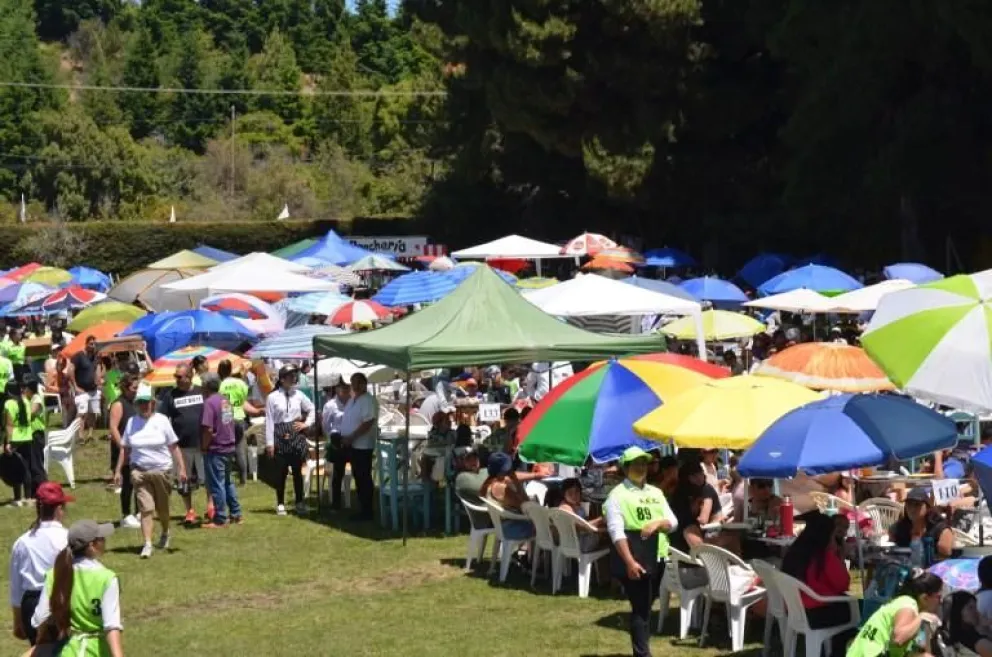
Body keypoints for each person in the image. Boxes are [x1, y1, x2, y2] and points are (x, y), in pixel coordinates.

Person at [604, 447, 678, 657]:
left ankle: (642, 650)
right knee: (640, 607)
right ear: (626, 468)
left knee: (646, 604)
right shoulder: (616, 496)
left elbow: (673, 522)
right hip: (635, 557)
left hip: (658, 555)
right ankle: (642, 653)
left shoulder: (656, 492)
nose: (641, 467)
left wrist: (658, 523)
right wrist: (629, 562)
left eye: (644, 463)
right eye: (636, 464)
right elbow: (616, 532)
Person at [114, 383, 187, 559]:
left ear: (153, 403)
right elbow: (125, 449)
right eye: (140, 402)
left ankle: (165, 531)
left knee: (162, 509)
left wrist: (182, 469)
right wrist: (117, 471)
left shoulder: (162, 420)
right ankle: (147, 543)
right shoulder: (132, 422)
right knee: (146, 509)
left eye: (147, 402)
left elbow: (174, 447)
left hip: (162, 471)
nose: (144, 406)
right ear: (136, 404)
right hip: (139, 472)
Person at [31, 520, 123, 657]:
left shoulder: (55, 574)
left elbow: (38, 618)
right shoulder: (107, 578)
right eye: (101, 538)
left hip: (68, 651)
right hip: (98, 651)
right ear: (92, 546)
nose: (104, 541)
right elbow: (112, 626)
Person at [781, 512, 857, 656]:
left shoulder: (795, 552)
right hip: (815, 612)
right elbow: (844, 584)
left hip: (795, 610)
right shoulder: (824, 555)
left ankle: (825, 649)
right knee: (856, 608)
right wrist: (840, 557)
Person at [8, 483, 72, 647]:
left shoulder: (22, 542)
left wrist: (18, 620)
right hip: (59, 600)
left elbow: (16, 587)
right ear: (59, 509)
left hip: (30, 604)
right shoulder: (66, 538)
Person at [847, 572, 943, 657]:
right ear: (924, 598)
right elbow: (898, 638)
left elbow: (894, 651)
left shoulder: (902, 602)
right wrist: (922, 617)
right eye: (938, 597)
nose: (941, 601)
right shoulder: (908, 605)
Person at [158, 363, 209, 524]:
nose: (177, 379)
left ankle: (211, 507)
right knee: (183, 479)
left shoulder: (202, 392)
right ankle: (189, 511)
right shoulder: (171, 395)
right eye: (176, 376)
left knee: (208, 478)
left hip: (203, 443)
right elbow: (162, 417)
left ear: (190, 376)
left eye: (180, 376)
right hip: (181, 446)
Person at [264, 365, 315, 517]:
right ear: (282, 379)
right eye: (291, 375)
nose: (294, 378)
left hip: (295, 434)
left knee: (297, 471)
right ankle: (280, 503)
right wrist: (269, 443)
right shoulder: (272, 397)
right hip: (279, 434)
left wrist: (306, 423)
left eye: (295, 375)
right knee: (281, 472)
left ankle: (299, 502)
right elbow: (269, 420)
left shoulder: (298, 395)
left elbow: (312, 408)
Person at [200, 373, 241, 528]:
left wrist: (204, 446)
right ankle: (236, 513)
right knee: (228, 482)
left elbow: (208, 429)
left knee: (217, 483)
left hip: (216, 448)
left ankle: (220, 518)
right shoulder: (225, 400)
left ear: (206, 386)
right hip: (229, 446)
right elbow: (228, 422)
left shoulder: (209, 403)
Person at [339, 372, 377, 521]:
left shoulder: (367, 400)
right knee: (358, 476)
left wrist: (352, 436)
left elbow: (368, 422)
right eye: (352, 382)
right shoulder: (353, 400)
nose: (353, 385)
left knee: (363, 477)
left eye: (356, 382)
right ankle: (363, 508)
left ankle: (367, 511)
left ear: (363, 384)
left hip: (362, 445)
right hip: (352, 445)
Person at [107, 375, 139, 529]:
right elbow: (113, 428)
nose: (136, 391)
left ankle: (139, 512)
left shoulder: (135, 403)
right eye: (134, 388)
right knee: (126, 483)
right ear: (125, 388)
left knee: (138, 481)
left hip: (135, 449)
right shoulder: (118, 404)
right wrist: (122, 446)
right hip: (123, 450)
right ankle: (126, 514)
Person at [217, 360, 256, 486]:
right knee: (240, 449)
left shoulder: (219, 384)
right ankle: (243, 480)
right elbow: (244, 399)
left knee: (226, 449)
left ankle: (227, 478)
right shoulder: (240, 383)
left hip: (226, 416)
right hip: (239, 416)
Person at [889, 487, 954, 562]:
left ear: (928, 508)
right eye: (909, 504)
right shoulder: (899, 528)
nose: (912, 509)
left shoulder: (940, 530)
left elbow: (945, 558)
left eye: (917, 505)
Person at [481, 452, 535, 540]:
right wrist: (517, 482)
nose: (511, 471)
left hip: (504, 526)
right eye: (509, 469)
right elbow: (525, 505)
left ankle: (535, 553)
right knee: (547, 530)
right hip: (512, 528)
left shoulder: (489, 484)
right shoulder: (502, 488)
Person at [5, 380, 43, 505]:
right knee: (26, 468)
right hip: (27, 437)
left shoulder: (9, 403)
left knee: (15, 468)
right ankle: (28, 498)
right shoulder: (26, 401)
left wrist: (8, 442)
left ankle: (17, 499)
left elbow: (9, 425)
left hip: (16, 438)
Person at [321, 379, 351, 511]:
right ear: (337, 388)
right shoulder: (330, 405)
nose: (345, 389)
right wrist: (333, 439)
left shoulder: (353, 402)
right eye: (342, 387)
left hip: (352, 438)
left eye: (347, 387)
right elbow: (326, 426)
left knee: (358, 471)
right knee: (337, 473)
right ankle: (336, 504)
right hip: (337, 439)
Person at [558, 477, 605, 552]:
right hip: (579, 546)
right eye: (570, 493)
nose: (574, 496)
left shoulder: (577, 506)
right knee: (607, 538)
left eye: (577, 492)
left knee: (603, 531)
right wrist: (600, 521)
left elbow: (584, 524)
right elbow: (581, 527)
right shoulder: (565, 507)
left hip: (572, 543)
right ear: (564, 495)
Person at [68, 336, 100, 443]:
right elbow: (70, 370)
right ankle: (80, 436)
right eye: (91, 343)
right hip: (82, 391)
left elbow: (97, 370)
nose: (93, 346)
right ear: (86, 344)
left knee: (92, 413)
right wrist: (75, 386)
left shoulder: (95, 357)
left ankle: (90, 435)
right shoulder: (78, 356)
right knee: (82, 414)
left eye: (94, 344)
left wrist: (98, 381)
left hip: (94, 390)